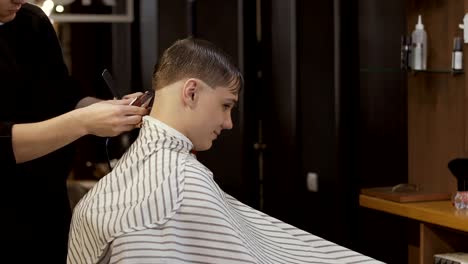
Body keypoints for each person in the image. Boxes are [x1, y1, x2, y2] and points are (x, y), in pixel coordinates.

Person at [68, 38, 383, 264]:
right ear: (191, 92)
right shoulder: (179, 181)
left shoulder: (132, 177)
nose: (229, 122)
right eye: (226, 106)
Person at [0, 0, 147, 263]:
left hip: (49, 207)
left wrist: (114, 109)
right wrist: (83, 122)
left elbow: (64, 97)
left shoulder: (31, 21)